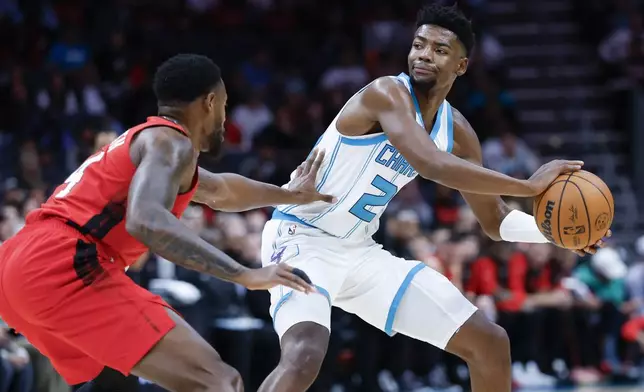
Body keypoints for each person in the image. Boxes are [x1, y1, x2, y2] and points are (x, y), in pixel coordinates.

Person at [258, 5, 611, 392]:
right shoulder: (385, 93)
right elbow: (429, 164)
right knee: (305, 354)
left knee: (490, 342)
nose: (424, 54)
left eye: (440, 50)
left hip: (358, 251)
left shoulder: (458, 132)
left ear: (461, 66)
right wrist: (528, 186)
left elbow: (494, 222)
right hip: (300, 238)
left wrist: (559, 234)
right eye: (418, 45)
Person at [0, 54, 335, 392]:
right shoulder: (171, 142)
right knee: (218, 382)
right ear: (211, 101)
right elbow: (145, 221)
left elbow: (221, 190)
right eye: (224, 105)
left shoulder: (151, 144)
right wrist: (244, 274)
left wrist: (290, 195)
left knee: (115, 385)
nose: (223, 118)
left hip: (18, 264)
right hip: (61, 263)